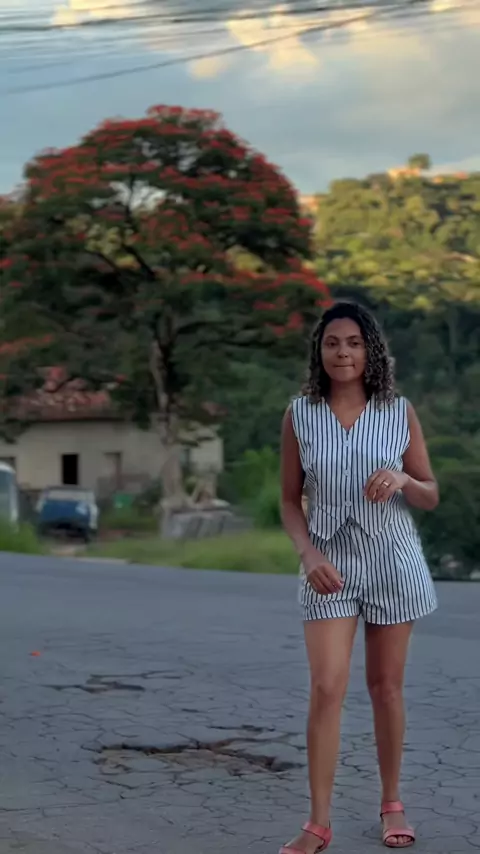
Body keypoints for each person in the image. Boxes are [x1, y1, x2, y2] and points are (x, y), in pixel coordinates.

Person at [280, 301, 438, 852]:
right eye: (332, 343)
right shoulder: (300, 414)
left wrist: (402, 479)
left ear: (370, 350)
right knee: (327, 687)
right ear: (319, 351)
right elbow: (288, 500)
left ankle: (392, 803)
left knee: (385, 687)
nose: (342, 353)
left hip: (393, 561)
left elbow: (430, 493)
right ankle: (318, 822)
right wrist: (307, 555)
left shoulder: (398, 411)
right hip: (328, 567)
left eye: (352, 343)